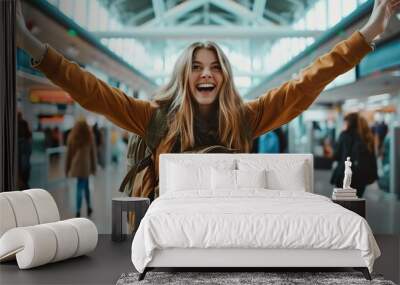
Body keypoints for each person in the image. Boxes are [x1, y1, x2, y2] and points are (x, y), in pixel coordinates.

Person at [16, 0, 399, 200]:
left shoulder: (246, 117)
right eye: (197, 67)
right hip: (169, 223)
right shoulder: (154, 118)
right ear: (185, 75)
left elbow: (306, 83)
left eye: (215, 67)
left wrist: (368, 33)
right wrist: (34, 47)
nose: (206, 74)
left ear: (225, 75)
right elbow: (92, 90)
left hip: (231, 220)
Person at [330, 113, 378, 197]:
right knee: (358, 201)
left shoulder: (344, 135)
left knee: (343, 204)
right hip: (361, 177)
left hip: (344, 175)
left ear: (348, 123)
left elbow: (336, 156)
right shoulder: (367, 137)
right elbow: (372, 158)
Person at [65, 118, 97, 217]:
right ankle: (88, 207)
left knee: (80, 187)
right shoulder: (90, 137)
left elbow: (69, 155)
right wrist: (94, 167)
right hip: (86, 166)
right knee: (85, 187)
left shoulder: (72, 137)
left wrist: (67, 168)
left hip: (76, 166)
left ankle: (79, 210)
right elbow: (93, 154)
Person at [17, 111, 32, 190]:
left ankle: (22, 182)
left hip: (21, 147)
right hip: (25, 146)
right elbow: (29, 134)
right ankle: (24, 183)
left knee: (22, 165)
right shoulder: (24, 123)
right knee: (25, 165)